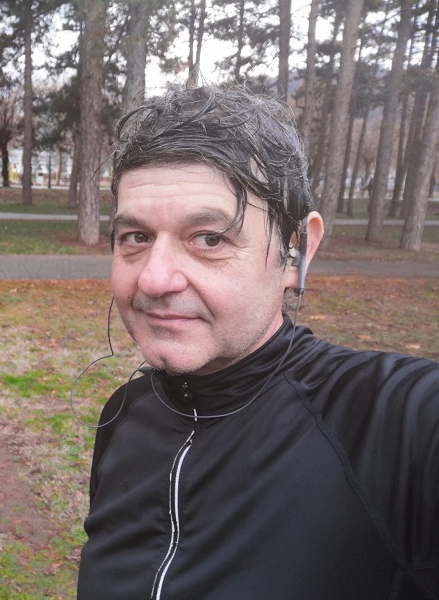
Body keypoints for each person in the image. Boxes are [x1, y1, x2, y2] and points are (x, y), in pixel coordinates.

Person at [76, 86, 439, 599]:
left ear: (297, 253)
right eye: (136, 237)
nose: (154, 279)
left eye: (210, 238)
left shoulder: (394, 426)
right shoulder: (124, 415)